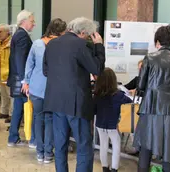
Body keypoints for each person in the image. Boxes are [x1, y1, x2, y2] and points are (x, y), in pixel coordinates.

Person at [43, 17, 105, 172]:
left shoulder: (51, 44)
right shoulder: (81, 44)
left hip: (56, 102)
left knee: (60, 145)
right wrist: (99, 46)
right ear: (83, 32)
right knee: (83, 145)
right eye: (88, 34)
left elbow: (45, 71)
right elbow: (97, 69)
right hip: (77, 104)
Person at [133, 25, 170, 172]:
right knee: (169, 149)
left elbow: (141, 85)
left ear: (157, 41)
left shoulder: (149, 58)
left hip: (151, 107)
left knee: (146, 145)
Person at [23, 18, 67, 162]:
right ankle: (48, 153)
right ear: (61, 32)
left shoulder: (37, 44)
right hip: (54, 89)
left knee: (38, 119)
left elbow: (29, 65)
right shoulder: (62, 46)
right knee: (50, 120)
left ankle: (39, 152)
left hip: (36, 88)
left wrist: (27, 82)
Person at [94, 68, 132, 172]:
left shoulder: (97, 95)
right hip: (113, 125)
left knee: (103, 145)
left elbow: (94, 110)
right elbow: (129, 101)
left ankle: (104, 168)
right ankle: (114, 169)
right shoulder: (118, 95)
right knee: (116, 144)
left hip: (100, 124)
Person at [7, 10, 35, 146]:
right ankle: (32, 139)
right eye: (32, 21)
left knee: (18, 109)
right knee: (30, 108)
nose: (34, 24)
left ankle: (13, 137)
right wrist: (25, 80)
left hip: (17, 79)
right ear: (24, 21)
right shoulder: (22, 36)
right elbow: (20, 59)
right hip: (21, 81)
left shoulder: (18, 34)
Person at [0, 24, 13, 123]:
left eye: (0, 31)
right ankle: (4, 111)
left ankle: (12, 114)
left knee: (10, 94)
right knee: (3, 94)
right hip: (0, 72)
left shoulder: (11, 43)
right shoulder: (0, 43)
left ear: (7, 32)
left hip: (8, 72)